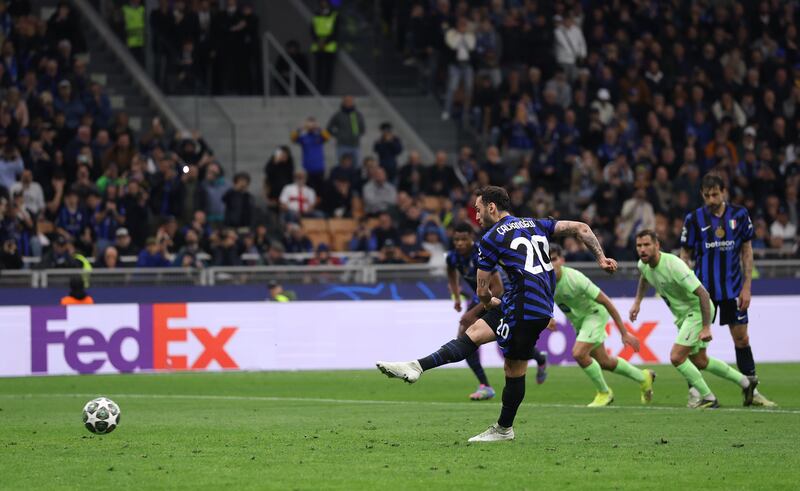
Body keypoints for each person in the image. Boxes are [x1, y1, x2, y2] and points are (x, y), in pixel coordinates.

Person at [377, 186, 617, 442]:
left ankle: (503, 428)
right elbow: (581, 228)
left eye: (478, 210)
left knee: (511, 366)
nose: (476, 216)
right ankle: (417, 367)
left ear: (491, 207)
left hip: (522, 305)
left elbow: (482, 292)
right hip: (538, 304)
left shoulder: (490, 239)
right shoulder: (534, 222)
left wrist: (489, 301)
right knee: (476, 334)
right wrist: (601, 259)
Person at [630, 230, 757, 409]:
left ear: (657, 245)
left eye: (647, 245)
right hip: (684, 315)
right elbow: (644, 278)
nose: (642, 249)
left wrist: (706, 327)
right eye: (639, 245)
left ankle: (708, 398)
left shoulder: (674, 265)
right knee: (700, 360)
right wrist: (637, 302)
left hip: (698, 311)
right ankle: (745, 382)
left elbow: (704, 295)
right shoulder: (643, 265)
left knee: (676, 357)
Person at [679, 174, 775, 407]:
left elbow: (747, 251)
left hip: (733, 290)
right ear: (702, 194)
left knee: (741, 339)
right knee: (694, 346)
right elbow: (685, 255)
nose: (711, 199)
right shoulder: (694, 219)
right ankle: (696, 391)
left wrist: (747, 287)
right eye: (707, 195)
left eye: (715, 194)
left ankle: (752, 391)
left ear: (724, 191)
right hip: (704, 293)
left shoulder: (740, 215)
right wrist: (686, 286)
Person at [447, 222, 546, 400]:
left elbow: (498, 288)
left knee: (509, 341)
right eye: (456, 240)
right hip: (482, 298)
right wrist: (456, 298)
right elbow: (451, 275)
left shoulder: (481, 254)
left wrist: (472, 312)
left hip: (505, 296)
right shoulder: (453, 257)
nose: (460, 243)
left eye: (464, 239)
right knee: (464, 334)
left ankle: (539, 358)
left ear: (472, 238)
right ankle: (485, 385)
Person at [549, 244, 654, 406]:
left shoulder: (575, 279)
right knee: (604, 361)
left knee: (578, 353)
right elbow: (544, 299)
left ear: (561, 260)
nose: (551, 264)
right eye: (546, 260)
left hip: (595, 315)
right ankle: (643, 377)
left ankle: (605, 393)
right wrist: (548, 317)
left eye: (554, 259)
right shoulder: (544, 281)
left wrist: (624, 332)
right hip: (580, 321)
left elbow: (607, 302)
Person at [326, 95, 365, 164]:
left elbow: (362, 129)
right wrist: (338, 135)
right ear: (343, 102)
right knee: (342, 166)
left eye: (350, 101)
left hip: (355, 145)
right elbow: (329, 128)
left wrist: (357, 136)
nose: (348, 103)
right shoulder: (338, 115)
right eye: (346, 101)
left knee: (356, 167)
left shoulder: (357, 115)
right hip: (342, 145)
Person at [310, 0, 338, 94]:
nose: (323, 3)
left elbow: (336, 31)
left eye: (325, 2)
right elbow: (312, 29)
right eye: (321, 2)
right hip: (318, 46)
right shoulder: (316, 14)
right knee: (318, 70)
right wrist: (318, 41)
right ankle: (318, 90)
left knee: (328, 70)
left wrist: (325, 41)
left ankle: (327, 91)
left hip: (329, 46)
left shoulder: (334, 14)